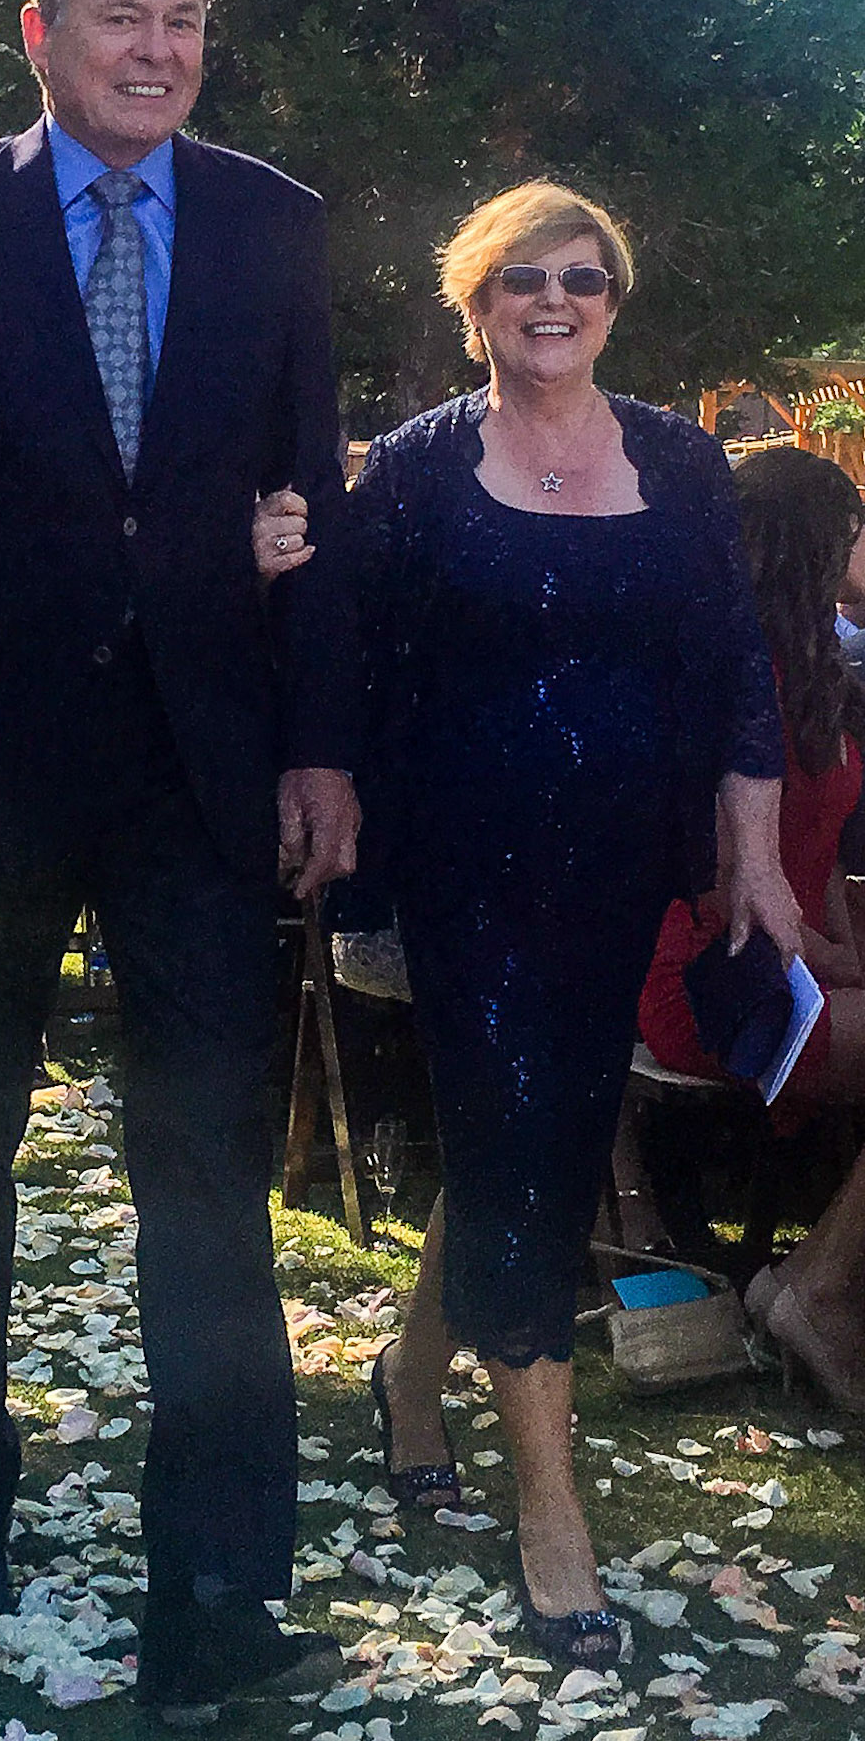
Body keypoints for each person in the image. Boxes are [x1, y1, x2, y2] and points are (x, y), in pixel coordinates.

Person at [0, 0, 358, 1723]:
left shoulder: (275, 224)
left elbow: (309, 516)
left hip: (197, 774)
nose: (157, 53)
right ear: (39, 33)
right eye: (123, 18)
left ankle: (217, 1579)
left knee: (208, 1172)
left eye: (184, 22)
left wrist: (318, 746)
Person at [263, 179, 797, 1667]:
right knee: (518, 1139)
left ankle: (410, 1375)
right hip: (466, 864)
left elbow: (736, 672)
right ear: (476, 302)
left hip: (621, 866)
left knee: (535, 1132)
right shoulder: (420, 467)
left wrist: (756, 859)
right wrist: (325, 787)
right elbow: (336, 648)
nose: (554, 300)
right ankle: (551, 1514)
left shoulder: (681, 461)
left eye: (584, 278)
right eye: (523, 279)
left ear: (614, 301)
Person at [638, 446, 865, 1411]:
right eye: (854, 528)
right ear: (818, 543)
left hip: (801, 962)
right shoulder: (737, 679)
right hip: (723, 975)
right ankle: (815, 1294)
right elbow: (738, 886)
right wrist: (840, 964)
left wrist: (849, 954)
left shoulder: (819, 669)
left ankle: (811, 1280)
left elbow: (826, 862)